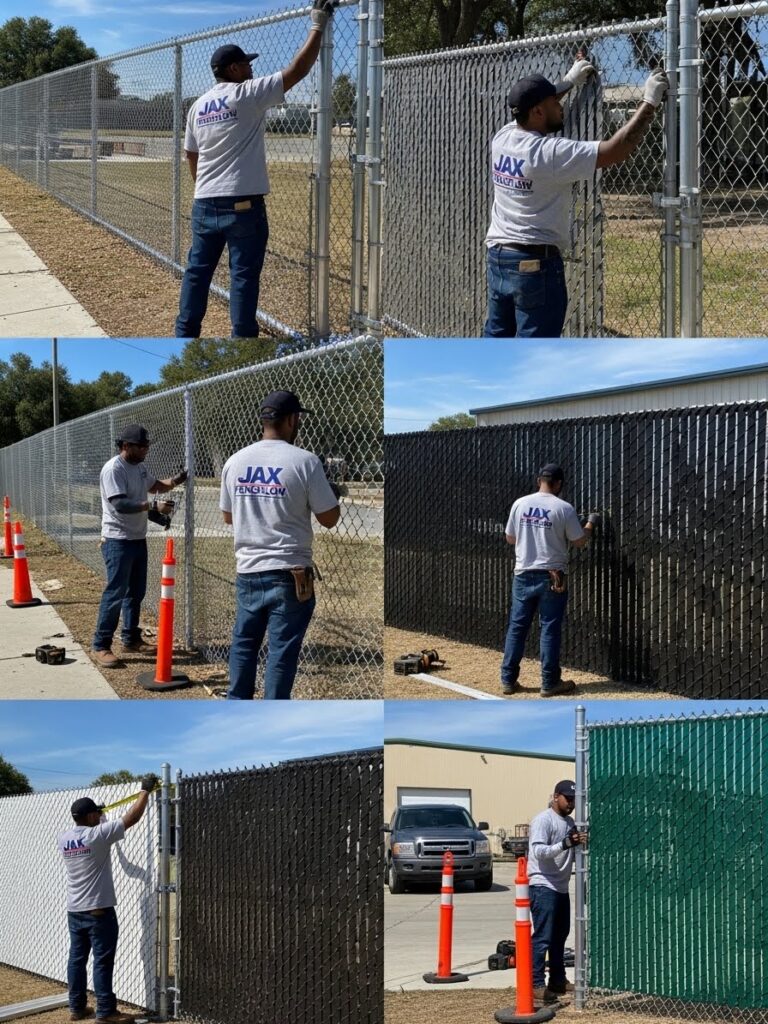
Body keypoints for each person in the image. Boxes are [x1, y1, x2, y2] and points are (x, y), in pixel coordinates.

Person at [175, 0, 339, 339]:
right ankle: (243, 337)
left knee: (197, 273)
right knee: (243, 276)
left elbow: (191, 154)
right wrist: (317, 25)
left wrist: (205, 188)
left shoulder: (198, 105)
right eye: (246, 65)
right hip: (243, 204)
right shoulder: (246, 94)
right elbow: (297, 70)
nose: (250, 70)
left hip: (204, 202)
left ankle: (185, 331)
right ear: (233, 69)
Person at [483, 56, 669, 337]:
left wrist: (569, 81)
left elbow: (534, 103)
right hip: (534, 267)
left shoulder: (503, 137)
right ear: (537, 113)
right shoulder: (549, 154)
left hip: (499, 257)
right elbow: (615, 150)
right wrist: (650, 101)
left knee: (496, 342)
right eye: (553, 103)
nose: (560, 105)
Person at [219, 390, 340, 699]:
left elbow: (228, 516)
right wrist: (333, 493)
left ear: (264, 419)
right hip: (290, 572)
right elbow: (329, 518)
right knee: (281, 651)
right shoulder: (305, 461)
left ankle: (238, 701)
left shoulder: (235, 461)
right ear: (292, 419)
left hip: (248, 569)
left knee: (244, 643)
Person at [58, 774, 159, 1023]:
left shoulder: (64, 838)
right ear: (91, 817)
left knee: (77, 959)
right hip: (99, 912)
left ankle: (77, 1007)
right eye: (95, 815)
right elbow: (132, 818)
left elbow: (95, 831)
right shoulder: (97, 836)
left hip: (75, 910)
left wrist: (98, 816)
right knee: (102, 961)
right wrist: (145, 791)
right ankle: (105, 1012)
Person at [91, 425, 188, 669]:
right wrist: (154, 507)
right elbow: (120, 504)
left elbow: (156, 486)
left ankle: (131, 639)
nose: (146, 450)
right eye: (141, 446)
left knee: (136, 592)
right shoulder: (114, 469)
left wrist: (177, 479)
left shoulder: (140, 466)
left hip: (136, 538)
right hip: (117, 540)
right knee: (115, 593)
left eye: (147, 446)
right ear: (126, 446)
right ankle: (101, 645)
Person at [501, 463, 599, 696]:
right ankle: (549, 681)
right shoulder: (563, 508)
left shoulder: (520, 503)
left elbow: (510, 538)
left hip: (523, 572)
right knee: (549, 629)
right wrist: (591, 523)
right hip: (553, 576)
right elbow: (578, 541)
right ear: (558, 484)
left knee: (517, 628)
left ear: (539, 480)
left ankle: (507, 679)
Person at [527, 780, 588, 1005]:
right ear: (556, 797)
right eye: (567, 798)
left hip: (560, 887)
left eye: (574, 799)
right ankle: (536, 984)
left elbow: (572, 846)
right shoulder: (543, 820)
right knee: (542, 937)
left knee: (559, 937)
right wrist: (565, 843)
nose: (571, 803)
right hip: (543, 885)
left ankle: (558, 981)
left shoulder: (570, 822)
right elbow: (538, 851)